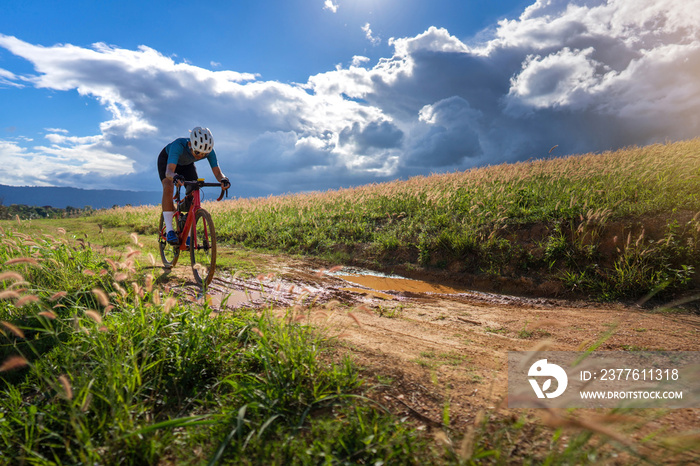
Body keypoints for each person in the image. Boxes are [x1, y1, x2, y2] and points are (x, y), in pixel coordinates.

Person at [158, 126, 230, 245]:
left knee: (195, 188)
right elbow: (169, 172)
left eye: (204, 154)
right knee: (168, 186)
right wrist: (174, 176)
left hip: (186, 165)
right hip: (168, 162)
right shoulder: (178, 146)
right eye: (197, 152)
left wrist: (224, 179)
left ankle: (187, 229)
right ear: (191, 145)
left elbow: (217, 172)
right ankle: (170, 230)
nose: (200, 156)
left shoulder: (209, 151)